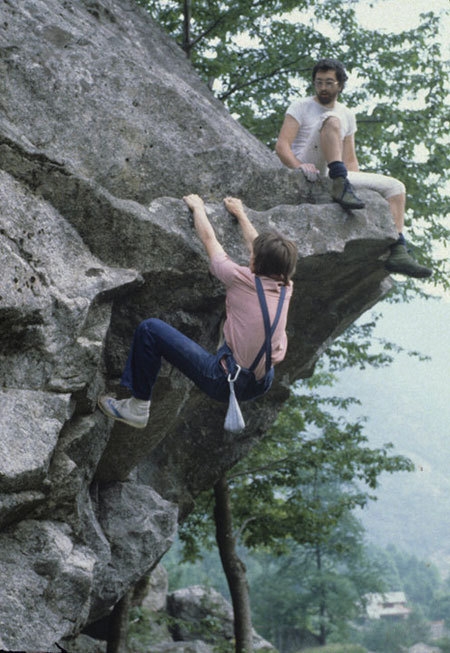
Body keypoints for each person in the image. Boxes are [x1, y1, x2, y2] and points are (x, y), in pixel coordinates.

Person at [98, 195, 297, 429]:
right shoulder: (286, 286)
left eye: (252, 256)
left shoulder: (239, 279)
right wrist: (241, 214)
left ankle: (137, 408)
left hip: (225, 381)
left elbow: (209, 240)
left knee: (150, 330)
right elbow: (261, 249)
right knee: (239, 320)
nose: (249, 255)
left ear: (255, 264)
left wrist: (198, 208)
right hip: (262, 381)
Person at [275, 58, 432, 279]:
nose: (323, 88)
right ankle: (339, 181)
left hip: (334, 170)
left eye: (329, 82)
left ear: (340, 85)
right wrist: (299, 166)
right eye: (319, 82)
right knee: (331, 120)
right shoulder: (301, 106)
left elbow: (350, 159)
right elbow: (282, 146)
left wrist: (354, 185)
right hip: (305, 162)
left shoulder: (347, 113)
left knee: (396, 187)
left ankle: (398, 248)